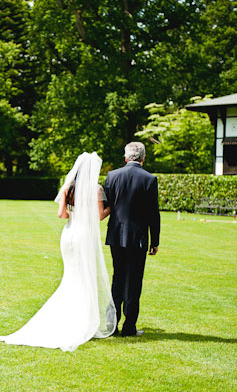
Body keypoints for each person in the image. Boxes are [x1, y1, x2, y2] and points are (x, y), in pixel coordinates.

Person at [0, 152, 116, 351]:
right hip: (84, 236)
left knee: (71, 276)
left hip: (69, 234)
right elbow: (98, 217)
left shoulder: (68, 188)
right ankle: (80, 321)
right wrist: (112, 207)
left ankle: (68, 318)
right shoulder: (95, 190)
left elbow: (62, 214)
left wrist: (75, 212)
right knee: (83, 278)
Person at [103, 142, 160, 337]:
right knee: (134, 281)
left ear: (126, 157)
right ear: (143, 158)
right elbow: (154, 213)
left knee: (117, 278)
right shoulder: (150, 179)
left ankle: (113, 324)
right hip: (138, 238)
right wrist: (155, 241)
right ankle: (129, 326)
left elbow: (106, 206)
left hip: (116, 235)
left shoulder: (112, 176)